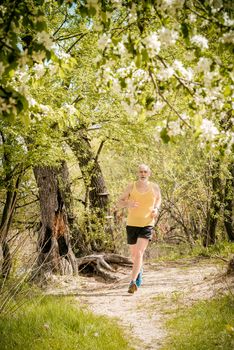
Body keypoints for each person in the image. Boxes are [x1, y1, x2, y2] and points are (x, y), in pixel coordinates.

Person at [117, 164, 161, 294]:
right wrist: (128, 203)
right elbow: (119, 201)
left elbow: (158, 199)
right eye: (141, 172)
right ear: (138, 173)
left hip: (147, 223)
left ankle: (133, 282)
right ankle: (139, 270)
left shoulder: (154, 187)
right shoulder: (132, 186)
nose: (143, 174)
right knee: (134, 255)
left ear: (149, 173)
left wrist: (156, 209)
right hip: (132, 224)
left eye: (145, 172)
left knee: (140, 253)